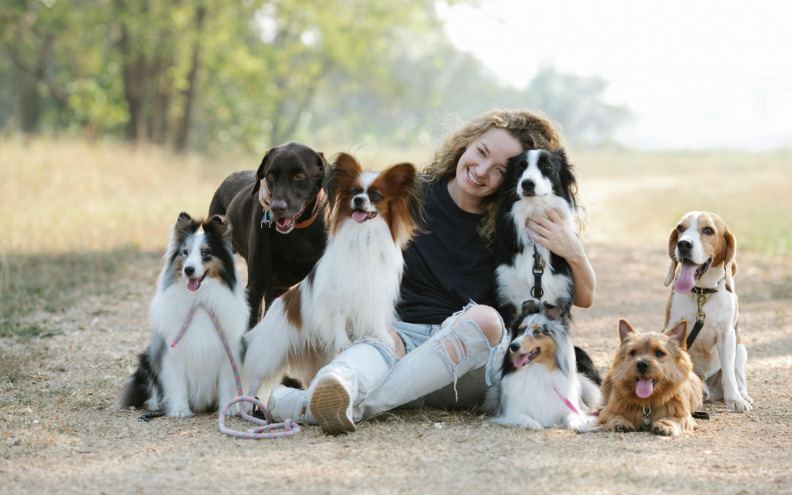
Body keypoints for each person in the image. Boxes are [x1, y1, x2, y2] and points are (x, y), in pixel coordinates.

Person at [264, 108, 596, 434]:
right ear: (466, 143)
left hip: (466, 360)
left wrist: (574, 250)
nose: (480, 170)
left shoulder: (513, 224)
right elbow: (336, 187)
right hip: (397, 340)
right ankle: (337, 389)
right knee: (378, 337)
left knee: (486, 320)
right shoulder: (408, 194)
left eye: (498, 169)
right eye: (480, 152)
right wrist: (268, 193)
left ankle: (307, 405)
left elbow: (583, 296)